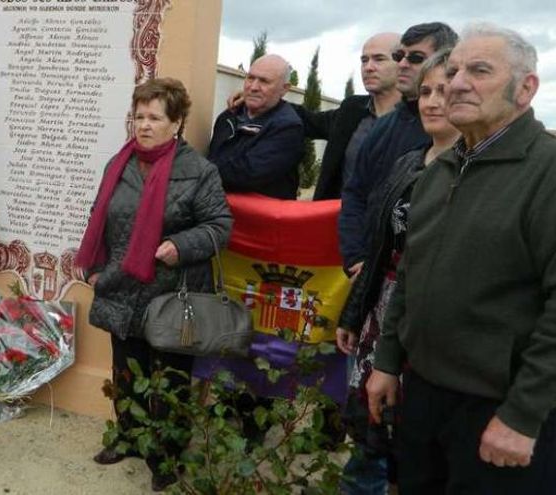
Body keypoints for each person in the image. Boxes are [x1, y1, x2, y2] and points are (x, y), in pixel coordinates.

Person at [367, 24, 556, 493]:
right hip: (424, 399)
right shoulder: (437, 171)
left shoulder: (547, 172)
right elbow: (409, 276)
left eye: (480, 70)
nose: (457, 83)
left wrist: (522, 415)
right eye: (453, 71)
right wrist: (388, 361)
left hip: (501, 411)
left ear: (525, 88)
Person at [78, 77, 232, 492]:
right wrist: (93, 266)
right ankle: (128, 437)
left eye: (154, 117)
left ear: (177, 122)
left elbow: (220, 226)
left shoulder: (199, 171)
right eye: (139, 116)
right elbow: (100, 215)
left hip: (171, 292)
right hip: (123, 288)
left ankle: (166, 456)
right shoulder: (119, 163)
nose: (144, 125)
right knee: (127, 370)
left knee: (170, 379)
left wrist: (180, 245)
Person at [335, 50, 459, 495]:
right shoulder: (407, 161)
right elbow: (379, 245)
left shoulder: (474, 171)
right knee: (369, 432)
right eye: (425, 91)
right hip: (381, 313)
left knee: (413, 442)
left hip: (429, 327)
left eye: (443, 91)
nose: (431, 101)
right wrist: (355, 314)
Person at [339, 22, 457, 277]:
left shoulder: (464, 132)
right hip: (374, 276)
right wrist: (356, 257)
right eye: (398, 56)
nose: (402, 64)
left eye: (415, 58)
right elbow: (355, 194)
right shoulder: (383, 127)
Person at [297, 32, 402, 200]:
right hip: (342, 221)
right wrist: (259, 101)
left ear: (402, 63)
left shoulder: (421, 118)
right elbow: (307, 120)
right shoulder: (351, 109)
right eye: (364, 60)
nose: (368, 67)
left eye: (379, 59)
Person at [208, 54, 304, 199]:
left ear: (284, 89)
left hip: (260, 219)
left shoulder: (288, 127)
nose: (253, 87)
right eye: (250, 78)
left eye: (264, 81)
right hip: (219, 212)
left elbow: (245, 175)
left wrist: (197, 170)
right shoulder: (227, 117)